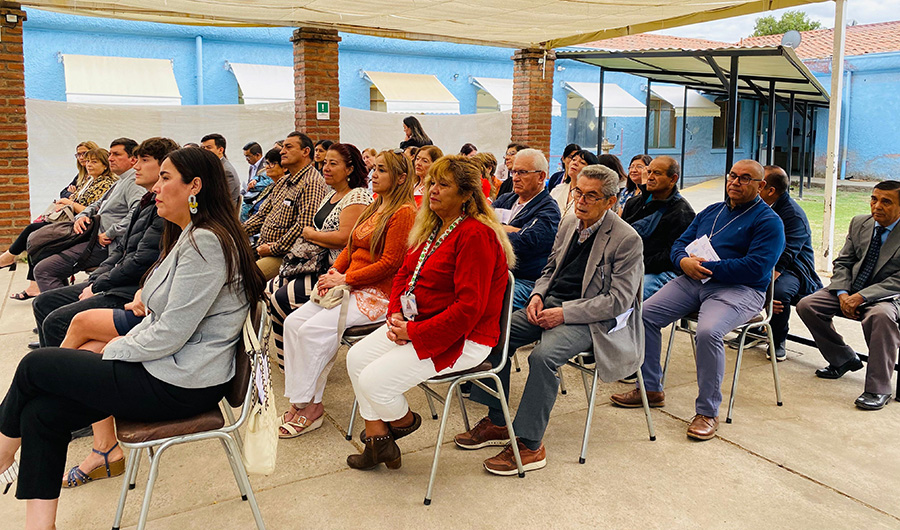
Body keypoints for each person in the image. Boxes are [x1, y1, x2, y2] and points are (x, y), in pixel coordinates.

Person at [0, 146, 265, 528]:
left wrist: (113, 349)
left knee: (35, 366)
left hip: (181, 383)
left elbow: (170, 333)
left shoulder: (207, 242)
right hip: (167, 369)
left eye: (165, 178)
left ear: (195, 186)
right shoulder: (191, 234)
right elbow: (163, 317)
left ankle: (3, 455)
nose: (156, 187)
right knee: (42, 414)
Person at [456, 164, 644, 475]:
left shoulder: (627, 239)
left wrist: (565, 313)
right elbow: (549, 269)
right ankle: (498, 421)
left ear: (611, 201)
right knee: (494, 332)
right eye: (578, 191)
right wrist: (537, 296)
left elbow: (617, 301)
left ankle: (530, 445)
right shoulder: (569, 222)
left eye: (591, 196)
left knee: (542, 357)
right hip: (550, 305)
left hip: (589, 319)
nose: (580, 200)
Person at [345, 155, 515, 470]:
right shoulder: (433, 225)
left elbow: (469, 309)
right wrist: (395, 314)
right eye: (431, 182)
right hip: (418, 322)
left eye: (443, 184)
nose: (432, 190)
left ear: (466, 194)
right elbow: (403, 274)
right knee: (355, 359)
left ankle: (403, 422)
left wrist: (414, 331)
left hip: (465, 338)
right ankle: (379, 441)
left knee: (372, 381)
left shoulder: (476, 234)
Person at [611, 159, 784, 441]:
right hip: (694, 280)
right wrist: (683, 261)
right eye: (732, 176)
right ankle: (651, 389)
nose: (735, 182)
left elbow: (756, 267)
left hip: (740, 289)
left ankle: (707, 412)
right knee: (643, 315)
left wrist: (707, 268)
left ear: (761, 185)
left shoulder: (769, 222)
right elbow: (680, 243)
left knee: (708, 332)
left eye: (744, 178)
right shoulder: (712, 211)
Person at [278, 149, 416, 439]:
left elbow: (390, 264)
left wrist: (345, 278)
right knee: (292, 323)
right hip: (352, 285)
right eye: (374, 168)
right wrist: (333, 274)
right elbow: (351, 247)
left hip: (378, 294)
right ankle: (302, 400)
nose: (374, 174)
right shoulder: (376, 204)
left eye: (382, 170)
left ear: (401, 178)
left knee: (312, 332)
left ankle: (309, 406)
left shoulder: (403, 212)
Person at [31, 137, 178, 349]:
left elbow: (141, 261)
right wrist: (95, 280)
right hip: (111, 263)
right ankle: (50, 353)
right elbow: (122, 247)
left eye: (143, 160)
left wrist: (98, 283)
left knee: (54, 310)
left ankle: (54, 360)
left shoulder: (159, 205)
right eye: (109, 154)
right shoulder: (142, 197)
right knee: (43, 299)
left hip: (122, 278)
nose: (136, 165)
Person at [266, 143, 373, 369]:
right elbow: (326, 233)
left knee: (282, 299)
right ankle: (291, 358)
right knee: (269, 289)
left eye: (333, 164)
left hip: (338, 271)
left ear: (350, 169)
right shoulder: (331, 194)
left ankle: (298, 361)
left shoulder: (357, 196)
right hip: (317, 264)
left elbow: (345, 238)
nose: (326, 168)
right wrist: (318, 236)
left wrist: (312, 235)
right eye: (325, 163)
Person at [796, 181, 900, 411]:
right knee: (808, 305)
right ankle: (843, 359)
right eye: (874, 199)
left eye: (886, 202)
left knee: (880, 317)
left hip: (889, 296)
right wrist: (843, 293)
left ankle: (878, 389)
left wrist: (862, 297)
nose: (877, 206)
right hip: (851, 288)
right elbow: (843, 262)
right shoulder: (860, 223)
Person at [29, 138, 143, 298]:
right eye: (110, 154)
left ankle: (62, 310)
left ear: (133, 159)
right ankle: (62, 308)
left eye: (116, 154)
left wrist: (110, 233)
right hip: (93, 238)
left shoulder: (134, 183)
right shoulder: (120, 181)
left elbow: (137, 213)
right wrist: (82, 216)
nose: (110, 158)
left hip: (106, 245)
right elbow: (97, 204)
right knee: (42, 248)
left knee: (44, 269)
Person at [0, 145, 116, 284]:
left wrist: (69, 202)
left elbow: (95, 211)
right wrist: (69, 200)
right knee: (37, 236)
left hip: (83, 227)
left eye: (94, 162)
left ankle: (10, 259)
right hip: (72, 221)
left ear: (105, 165)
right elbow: (65, 192)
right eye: (88, 161)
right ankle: (32, 281)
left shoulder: (106, 184)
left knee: (38, 237)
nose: (88, 164)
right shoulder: (88, 179)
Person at [243, 131, 328, 280]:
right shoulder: (283, 181)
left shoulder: (311, 183)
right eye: (283, 147)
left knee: (246, 279)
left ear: (305, 151)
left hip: (287, 255)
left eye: (288, 147)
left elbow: (303, 227)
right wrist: (236, 232)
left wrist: (273, 248)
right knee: (228, 265)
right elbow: (262, 215)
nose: (282, 151)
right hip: (264, 247)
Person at [759, 165, 821, 361]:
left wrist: (763, 284)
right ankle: (755, 328)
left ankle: (777, 340)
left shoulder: (792, 215)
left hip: (794, 269)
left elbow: (787, 256)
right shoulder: (756, 206)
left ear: (770, 190)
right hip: (764, 262)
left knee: (777, 292)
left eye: (758, 183)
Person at [491, 149, 561, 310]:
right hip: (494, 273)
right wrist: (510, 229)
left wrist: (495, 229)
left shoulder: (548, 210)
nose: (515, 178)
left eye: (522, 172)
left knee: (491, 302)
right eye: (514, 172)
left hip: (524, 280)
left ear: (541, 177)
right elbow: (479, 225)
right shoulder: (506, 199)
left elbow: (523, 243)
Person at [622, 156, 695, 300]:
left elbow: (671, 255)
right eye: (649, 172)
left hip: (660, 272)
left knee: (628, 297)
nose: (650, 177)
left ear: (673, 179)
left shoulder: (681, 212)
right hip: (629, 266)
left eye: (657, 173)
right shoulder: (633, 204)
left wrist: (637, 264)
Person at [550, 149, 599, 220]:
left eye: (582, 162)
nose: (575, 163)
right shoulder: (558, 189)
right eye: (573, 160)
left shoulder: (591, 197)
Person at [243, 148, 286, 225]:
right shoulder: (272, 187)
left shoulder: (285, 190)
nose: (267, 167)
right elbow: (260, 215)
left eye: (272, 164)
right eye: (267, 163)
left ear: (284, 167)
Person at [200, 133, 241, 205]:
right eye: (203, 148)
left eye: (209, 147)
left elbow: (220, 198)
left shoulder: (226, 171)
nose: (204, 151)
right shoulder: (213, 166)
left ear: (220, 150)